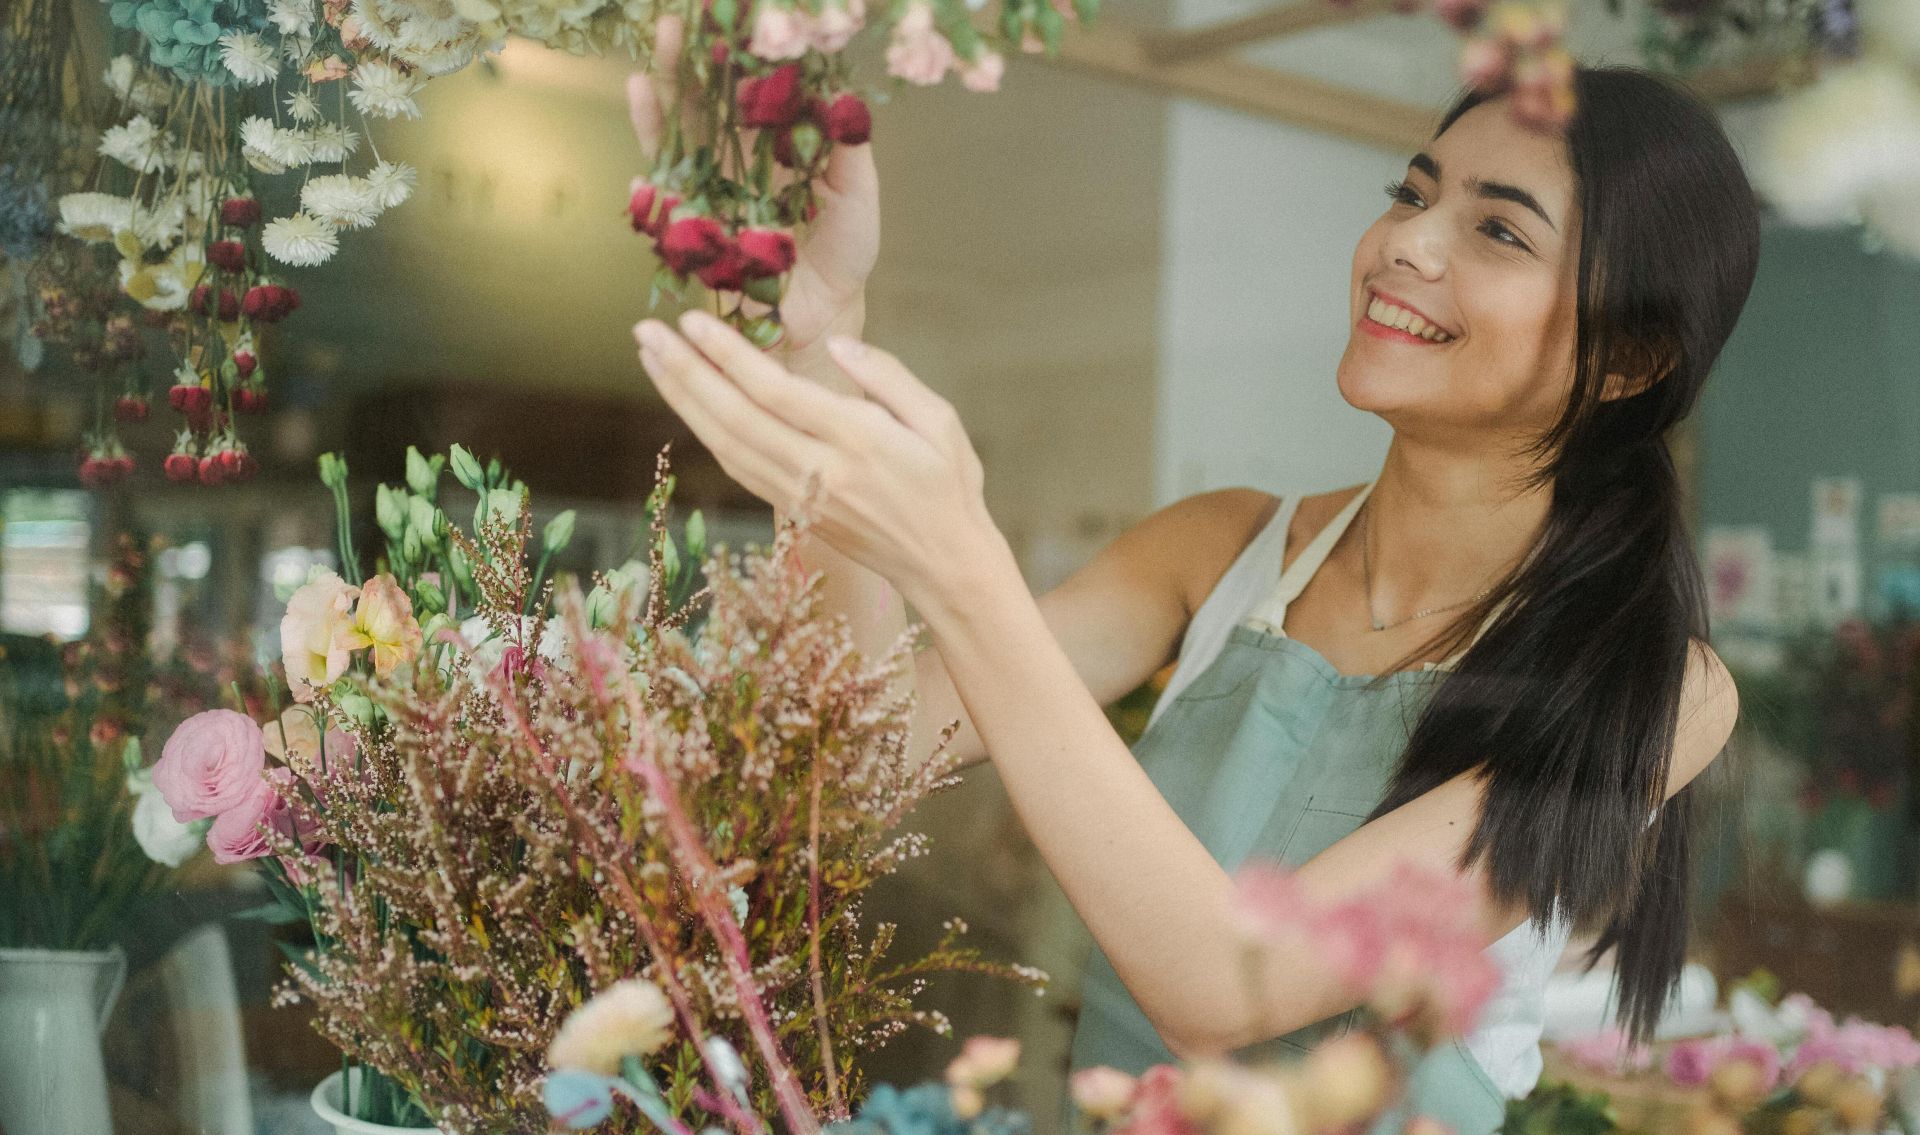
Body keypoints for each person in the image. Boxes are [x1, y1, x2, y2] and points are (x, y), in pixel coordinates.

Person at [627, 44, 1756, 1133]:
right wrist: (824, 344)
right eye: (1411, 193)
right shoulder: (1223, 550)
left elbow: (1225, 983)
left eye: (1499, 228)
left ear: (1628, 359)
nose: (1407, 242)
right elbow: (849, 756)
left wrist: (962, 566)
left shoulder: (1658, 688)